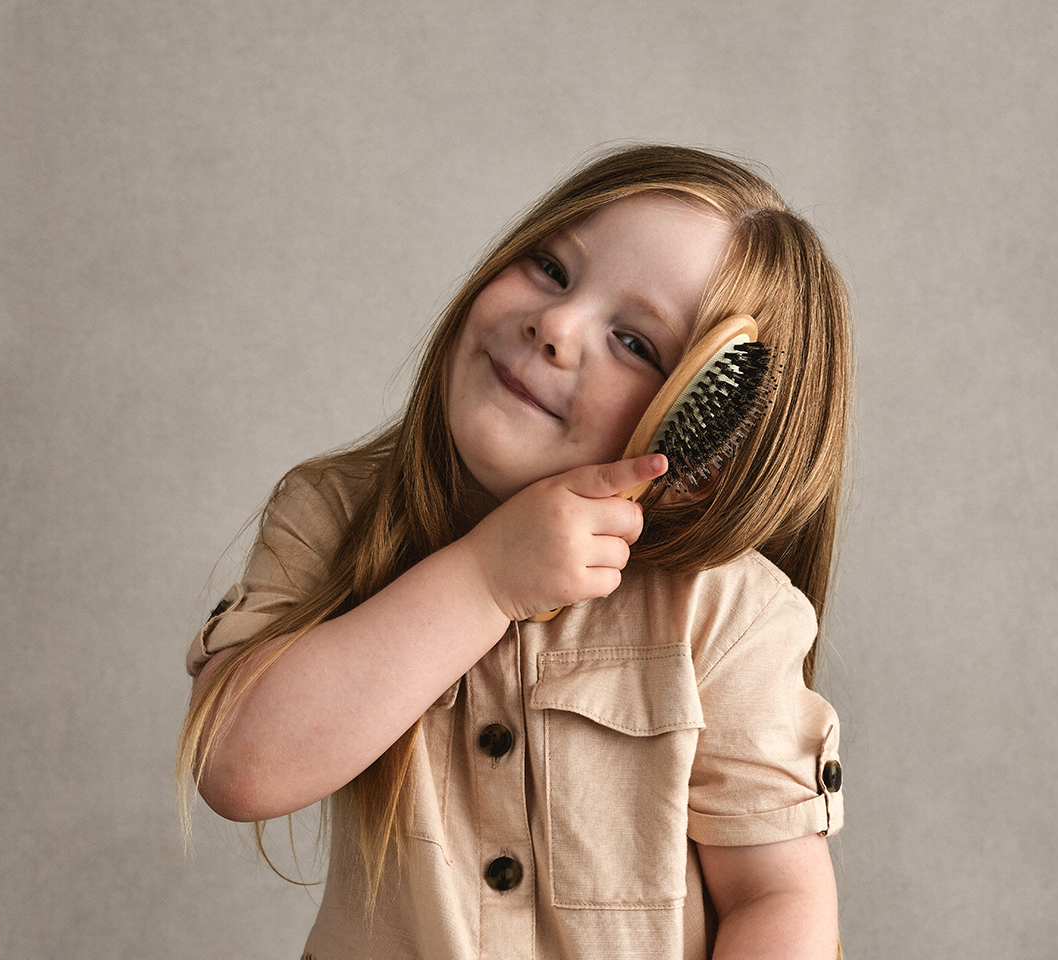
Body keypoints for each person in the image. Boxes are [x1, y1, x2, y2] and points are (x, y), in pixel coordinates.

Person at [179, 144, 853, 960]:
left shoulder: (722, 613)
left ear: (702, 450)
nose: (556, 326)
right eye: (550, 269)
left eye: (636, 343)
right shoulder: (332, 515)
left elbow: (776, 898)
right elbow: (238, 765)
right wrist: (483, 579)